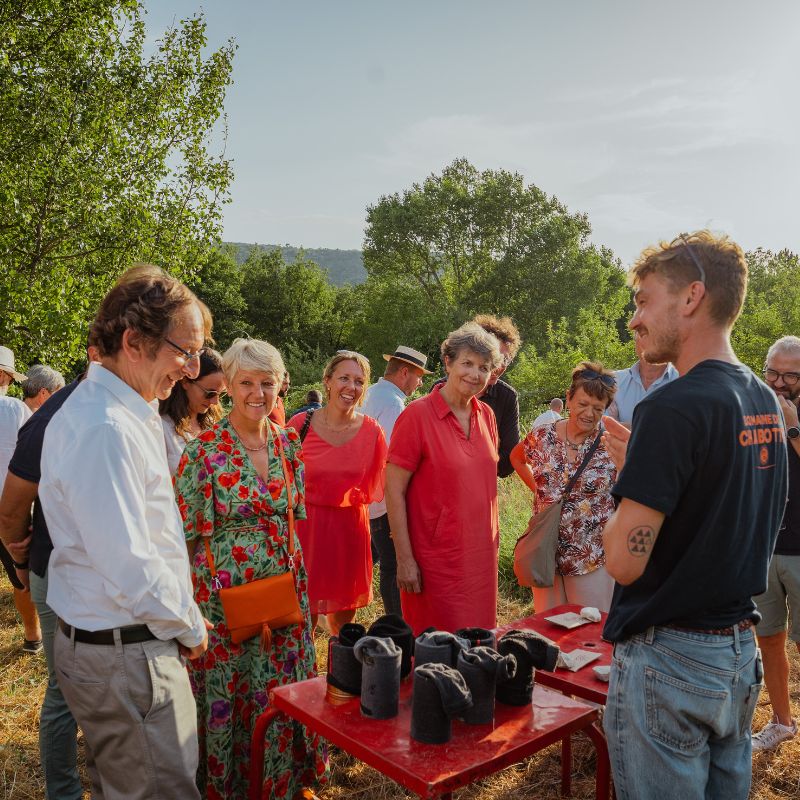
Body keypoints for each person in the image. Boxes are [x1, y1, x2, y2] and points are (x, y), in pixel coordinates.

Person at [600, 231, 787, 800]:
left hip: (671, 660)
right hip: (737, 652)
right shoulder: (764, 399)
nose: (634, 319)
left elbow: (622, 563)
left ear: (691, 298)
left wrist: (631, 475)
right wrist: (648, 467)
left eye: (642, 299)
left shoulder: (672, 406)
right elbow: (722, 509)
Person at [38, 264, 211, 800]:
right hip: (128, 652)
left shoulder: (122, 410)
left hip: (120, 645)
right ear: (134, 342)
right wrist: (190, 626)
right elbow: (131, 566)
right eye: (184, 351)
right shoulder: (104, 429)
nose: (190, 369)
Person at [175, 338, 326, 800]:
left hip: (284, 600)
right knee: (236, 697)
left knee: (283, 691)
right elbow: (181, 538)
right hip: (224, 611)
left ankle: (286, 783)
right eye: (246, 383)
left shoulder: (288, 442)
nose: (257, 393)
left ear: (281, 387)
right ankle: (233, 787)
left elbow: (291, 518)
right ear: (229, 386)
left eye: (267, 383)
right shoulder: (203, 452)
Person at [0, 348, 99, 800]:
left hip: (88, 575)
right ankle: (62, 791)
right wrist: (22, 560)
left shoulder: (128, 409)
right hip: (58, 571)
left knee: (92, 688)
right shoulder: (51, 417)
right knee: (65, 690)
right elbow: (13, 507)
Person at [386, 322, 502, 634]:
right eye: (467, 363)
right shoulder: (416, 416)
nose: (474, 374)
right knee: (436, 652)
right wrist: (405, 559)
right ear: (448, 362)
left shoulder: (487, 416)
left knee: (477, 648)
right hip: (435, 562)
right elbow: (393, 491)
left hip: (480, 558)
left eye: (484, 367)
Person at [287, 352, 387, 634]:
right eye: (344, 378)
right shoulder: (299, 426)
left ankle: (339, 670)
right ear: (328, 381)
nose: (351, 387)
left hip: (349, 533)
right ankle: (303, 674)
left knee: (343, 625)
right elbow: (281, 482)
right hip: (308, 530)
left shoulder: (373, 432)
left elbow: (379, 486)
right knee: (300, 617)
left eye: (358, 381)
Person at [510, 362, 618, 612]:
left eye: (598, 408)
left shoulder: (612, 444)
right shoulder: (542, 436)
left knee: (589, 631)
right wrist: (539, 492)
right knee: (547, 629)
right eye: (582, 404)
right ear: (568, 398)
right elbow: (516, 458)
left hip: (590, 557)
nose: (589, 414)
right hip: (545, 552)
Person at [751, 335, 800, 750]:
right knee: (769, 638)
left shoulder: (789, 416)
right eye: (772, 372)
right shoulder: (756, 409)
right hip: (765, 545)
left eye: (789, 375)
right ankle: (782, 721)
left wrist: (792, 427)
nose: (779, 382)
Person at [362, 345, 430, 616]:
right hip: (383, 498)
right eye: (419, 376)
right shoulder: (393, 404)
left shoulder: (371, 393)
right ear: (405, 373)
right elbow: (394, 458)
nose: (420, 382)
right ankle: (397, 624)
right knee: (392, 565)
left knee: (370, 557)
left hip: (367, 494)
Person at [432, 314, 521, 477]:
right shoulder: (441, 388)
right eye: (495, 357)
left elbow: (508, 464)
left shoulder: (506, 397)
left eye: (506, 360)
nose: (499, 366)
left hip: (481, 487)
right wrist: (488, 450)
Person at [0, 345, 41, 653]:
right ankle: (32, 636)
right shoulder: (14, 409)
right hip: (9, 508)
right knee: (21, 576)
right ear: (4, 376)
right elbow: (33, 453)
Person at [159, 348, 226, 473]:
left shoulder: (215, 424)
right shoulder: (162, 426)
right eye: (210, 393)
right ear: (185, 381)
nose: (215, 402)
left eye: (220, 394)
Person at [605, 333, 678, 427]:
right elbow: (604, 428)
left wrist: (623, 426)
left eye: (654, 334)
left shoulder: (684, 382)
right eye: (643, 334)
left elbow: (683, 433)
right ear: (635, 342)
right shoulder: (613, 381)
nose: (649, 342)